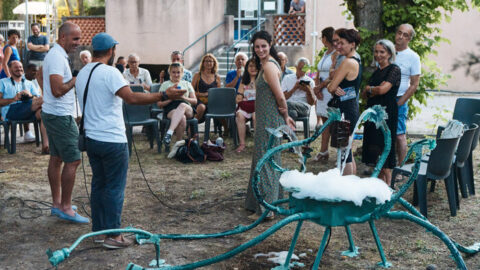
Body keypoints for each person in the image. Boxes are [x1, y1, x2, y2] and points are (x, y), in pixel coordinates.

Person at [76, 32, 184, 248]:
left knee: (99, 184)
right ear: (111, 51)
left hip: (91, 139)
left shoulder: (82, 73)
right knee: (115, 187)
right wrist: (164, 96)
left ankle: (99, 232)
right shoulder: (110, 73)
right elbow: (132, 97)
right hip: (112, 140)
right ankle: (114, 237)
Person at [41, 22, 89, 224]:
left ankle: (57, 204)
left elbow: (41, 77)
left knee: (57, 158)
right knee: (73, 160)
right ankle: (66, 208)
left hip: (53, 113)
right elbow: (57, 90)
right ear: (63, 37)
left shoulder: (57, 55)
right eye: (75, 39)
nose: (78, 43)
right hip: (60, 116)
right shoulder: (56, 56)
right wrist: (75, 80)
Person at [245, 30, 295, 219]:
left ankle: (267, 209)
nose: (260, 50)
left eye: (263, 46)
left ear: (270, 44)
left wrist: (285, 116)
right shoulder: (265, 64)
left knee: (266, 161)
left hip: (270, 119)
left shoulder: (269, 67)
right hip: (265, 118)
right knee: (265, 159)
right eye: (257, 47)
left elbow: (280, 96)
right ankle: (263, 203)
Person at [361, 39, 401, 186]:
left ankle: (389, 187)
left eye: (382, 52)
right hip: (373, 113)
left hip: (386, 114)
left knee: (385, 148)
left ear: (390, 53)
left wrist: (370, 89)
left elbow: (382, 90)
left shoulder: (394, 69)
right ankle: (379, 186)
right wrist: (372, 90)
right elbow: (364, 95)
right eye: (376, 51)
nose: (378, 55)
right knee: (374, 149)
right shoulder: (377, 71)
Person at [327, 28, 362, 176]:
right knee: (347, 150)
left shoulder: (348, 61)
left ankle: (347, 188)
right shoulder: (356, 59)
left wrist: (332, 87)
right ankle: (350, 184)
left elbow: (331, 87)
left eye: (342, 43)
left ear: (352, 44)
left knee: (344, 152)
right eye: (337, 43)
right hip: (350, 108)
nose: (338, 46)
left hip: (345, 111)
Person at [0, 61, 48, 150]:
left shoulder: (29, 83)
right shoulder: (2, 82)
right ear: (9, 69)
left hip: (28, 110)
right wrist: (14, 98)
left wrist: (30, 96)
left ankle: (46, 146)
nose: (19, 69)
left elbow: (37, 99)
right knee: (44, 100)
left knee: (44, 113)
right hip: (11, 111)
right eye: (16, 67)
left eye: (21, 67)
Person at [394, 24, 421, 165]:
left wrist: (400, 102)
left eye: (405, 35)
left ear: (409, 38)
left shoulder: (413, 57)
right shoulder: (387, 51)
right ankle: (380, 165)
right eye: (399, 33)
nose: (401, 37)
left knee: (399, 135)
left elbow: (414, 84)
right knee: (381, 132)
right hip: (383, 97)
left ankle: (401, 168)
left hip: (399, 99)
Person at [157, 62, 197, 147]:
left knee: (182, 105)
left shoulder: (187, 84)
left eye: (178, 72)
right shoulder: (165, 84)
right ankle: (178, 145)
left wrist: (183, 97)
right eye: (173, 72)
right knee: (182, 118)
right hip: (171, 108)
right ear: (170, 73)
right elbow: (159, 104)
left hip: (186, 107)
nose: (176, 75)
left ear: (182, 73)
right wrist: (171, 98)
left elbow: (194, 101)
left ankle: (169, 132)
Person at [313, 27, 335, 162]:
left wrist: (321, 87)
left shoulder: (335, 54)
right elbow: (319, 71)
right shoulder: (325, 53)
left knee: (332, 121)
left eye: (322, 37)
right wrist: (317, 88)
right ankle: (323, 150)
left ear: (325, 38)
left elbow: (332, 75)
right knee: (325, 121)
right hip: (321, 90)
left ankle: (334, 150)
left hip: (329, 90)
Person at [235, 58, 259, 153]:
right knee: (240, 115)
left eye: (255, 66)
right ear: (247, 68)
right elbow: (238, 98)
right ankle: (242, 144)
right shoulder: (243, 80)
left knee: (255, 115)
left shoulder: (261, 80)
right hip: (245, 106)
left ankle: (257, 144)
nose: (253, 68)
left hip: (258, 106)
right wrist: (240, 97)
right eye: (250, 66)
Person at [191, 53, 221, 122]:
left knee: (222, 108)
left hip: (212, 101)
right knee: (201, 107)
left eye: (211, 61)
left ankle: (226, 130)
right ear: (203, 63)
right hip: (199, 100)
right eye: (206, 61)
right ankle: (192, 128)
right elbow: (191, 92)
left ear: (214, 63)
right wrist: (204, 94)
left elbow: (219, 93)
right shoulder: (197, 75)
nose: (208, 63)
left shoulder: (217, 77)